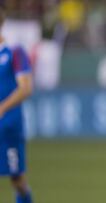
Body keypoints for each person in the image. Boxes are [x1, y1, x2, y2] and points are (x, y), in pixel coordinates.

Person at [0, 7, 34, 203]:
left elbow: (26, 88)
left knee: (17, 180)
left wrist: (2, 107)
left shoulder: (14, 51)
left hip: (8, 126)